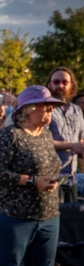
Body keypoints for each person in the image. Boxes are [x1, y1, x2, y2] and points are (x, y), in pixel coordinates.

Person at [0, 85, 63, 266]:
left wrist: (54, 182)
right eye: (44, 106)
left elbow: (52, 165)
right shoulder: (11, 135)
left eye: (51, 107)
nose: (50, 110)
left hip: (47, 215)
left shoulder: (47, 134)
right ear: (27, 110)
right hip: (14, 217)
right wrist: (32, 182)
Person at [45, 67, 84, 203]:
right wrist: (73, 146)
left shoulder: (77, 110)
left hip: (72, 177)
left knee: (71, 221)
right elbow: (41, 142)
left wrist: (81, 146)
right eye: (56, 82)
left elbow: (81, 137)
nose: (60, 86)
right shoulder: (45, 109)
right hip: (51, 180)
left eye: (65, 82)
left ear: (71, 85)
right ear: (49, 84)